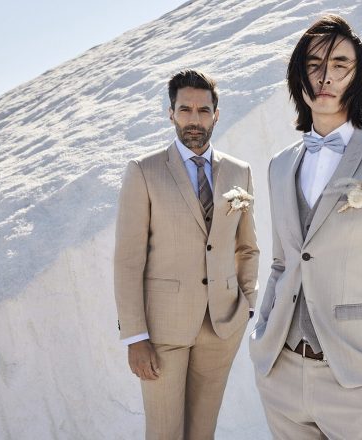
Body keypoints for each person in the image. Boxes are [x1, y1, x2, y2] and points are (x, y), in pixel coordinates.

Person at [249, 15, 362, 439]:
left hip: (355, 379)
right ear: (298, 75)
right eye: (313, 65)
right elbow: (281, 263)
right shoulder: (280, 165)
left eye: (340, 64)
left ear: (357, 75)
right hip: (281, 374)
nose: (325, 77)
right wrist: (261, 342)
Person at [113, 70, 259, 440]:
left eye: (203, 110)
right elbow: (128, 260)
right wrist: (135, 336)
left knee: (202, 432)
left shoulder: (239, 171)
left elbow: (247, 246)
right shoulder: (144, 171)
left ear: (216, 115)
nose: (195, 119)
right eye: (185, 109)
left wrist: (246, 304)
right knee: (164, 432)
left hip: (222, 326)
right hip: (163, 330)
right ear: (171, 113)